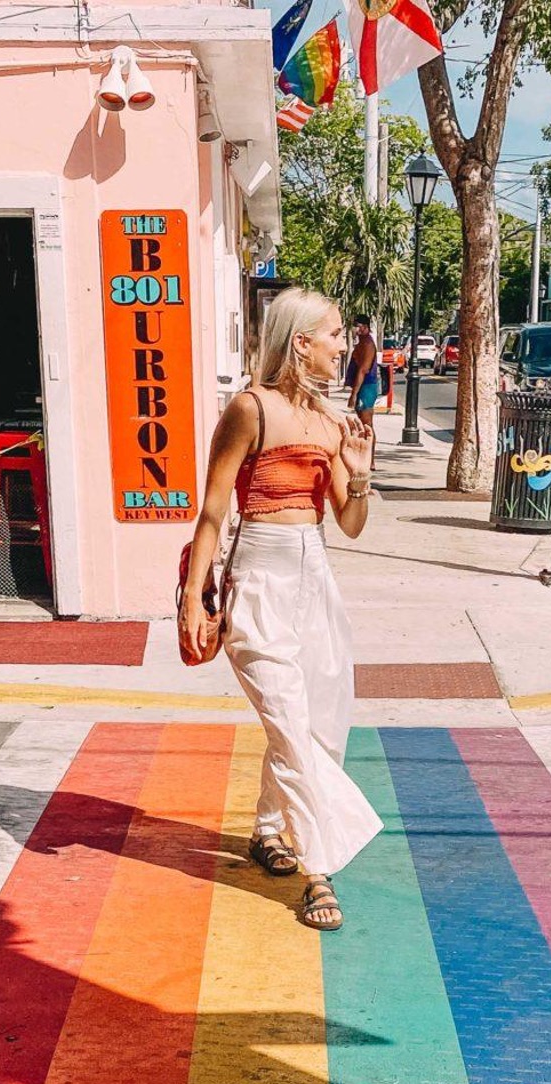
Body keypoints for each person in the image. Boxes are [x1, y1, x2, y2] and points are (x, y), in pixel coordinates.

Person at [179, 288, 383, 930]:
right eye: (334, 334)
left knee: (319, 721)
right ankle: (318, 869)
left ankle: (270, 829)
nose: (342, 345)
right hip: (258, 577)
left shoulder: (331, 422)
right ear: (301, 342)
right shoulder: (249, 409)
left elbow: (350, 523)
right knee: (291, 723)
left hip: (314, 574)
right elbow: (212, 511)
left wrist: (359, 470)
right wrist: (193, 592)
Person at [344, 314, 379, 471]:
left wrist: (354, 393)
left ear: (364, 327)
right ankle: (367, 457)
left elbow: (363, 370)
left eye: (357, 326)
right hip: (363, 387)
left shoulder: (368, 345)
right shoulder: (362, 343)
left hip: (366, 387)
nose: (355, 329)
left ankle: (370, 460)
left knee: (367, 424)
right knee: (363, 424)